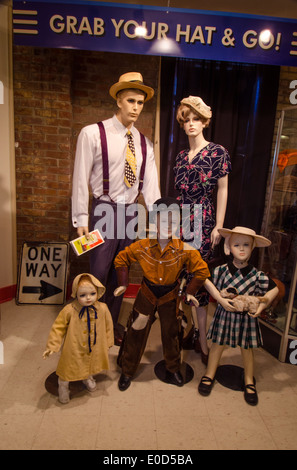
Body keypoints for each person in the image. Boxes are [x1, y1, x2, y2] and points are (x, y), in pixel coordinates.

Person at [72, 72, 161, 345]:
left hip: (132, 213)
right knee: (98, 273)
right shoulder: (92, 134)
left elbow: (151, 186)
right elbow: (80, 177)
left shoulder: (144, 143)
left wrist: (157, 221)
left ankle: (110, 325)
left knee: (121, 272)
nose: (136, 107)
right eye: (131, 100)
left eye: (141, 102)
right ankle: (89, 326)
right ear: (119, 100)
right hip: (104, 210)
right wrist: (81, 218)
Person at [113, 197, 210, 391]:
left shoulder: (184, 250)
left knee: (172, 333)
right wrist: (123, 283)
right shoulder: (142, 246)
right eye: (163, 220)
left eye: (173, 221)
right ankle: (127, 370)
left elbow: (202, 271)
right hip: (146, 294)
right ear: (154, 221)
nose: (168, 225)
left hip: (170, 297)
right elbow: (121, 259)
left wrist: (190, 292)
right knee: (136, 332)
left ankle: (173, 368)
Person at [174, 95, 231, 364]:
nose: (191, 124)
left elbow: (223, 189)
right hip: (180, 220)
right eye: (187, 119)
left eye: (196, 118)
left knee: (198, 279)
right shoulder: (181, 156)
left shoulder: (217, 152)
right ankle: (192, 331)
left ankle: (203, 341)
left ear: (205, 121)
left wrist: (219, 225)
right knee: (180, 278)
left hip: (203, 218)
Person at [198, 227, 279, 406]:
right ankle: (210, 373)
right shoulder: (221, 270)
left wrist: (261, 306)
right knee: (217, 345)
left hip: (246, 318)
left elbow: (275, 289)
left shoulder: (257, 275)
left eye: (246, 245)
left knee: (247, 349)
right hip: (224, 314)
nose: (241, 249)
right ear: (229, 247)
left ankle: (249, 379)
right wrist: (220, 299)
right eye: (236, 244)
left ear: (252, 248)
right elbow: (205, 279)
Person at [43, 273, 114, 404]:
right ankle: (63, 387)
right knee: (68, 367)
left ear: (97, 291)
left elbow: (108, 326)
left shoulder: (103, 309)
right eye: (82, 295)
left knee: (90, 363)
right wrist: (52, 346)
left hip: (93, 345)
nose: (88, 298)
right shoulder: (69, 310)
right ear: (75, 293)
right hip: (73, 346)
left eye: (92, 293)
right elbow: (58, 328)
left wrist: (108, 342)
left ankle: (87, 378)